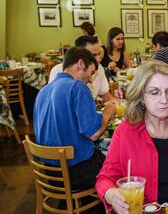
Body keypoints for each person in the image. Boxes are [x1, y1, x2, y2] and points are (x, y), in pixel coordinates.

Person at [96, 60, 168, 214]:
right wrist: (112, 195)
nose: (164, 100)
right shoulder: (125, 132)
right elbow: (105, 179)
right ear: (141, 96)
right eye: (154, 92)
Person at [34, 46, 116, 192]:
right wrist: (106, 114)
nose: (90, 79)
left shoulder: (43, 91)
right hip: (75, 173)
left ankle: (75, 208)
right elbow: (94, 133)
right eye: (91, 73)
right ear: (80, 64)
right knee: (117, 164)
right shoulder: (77, 87)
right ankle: (99, 211)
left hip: (49, 173)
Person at [49, 35, 115, 102]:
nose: (98, 59)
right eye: (93, 55)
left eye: (99, 54)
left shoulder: (99, 68)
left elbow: (107, 97)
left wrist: (122, 104)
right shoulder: (59, 71)